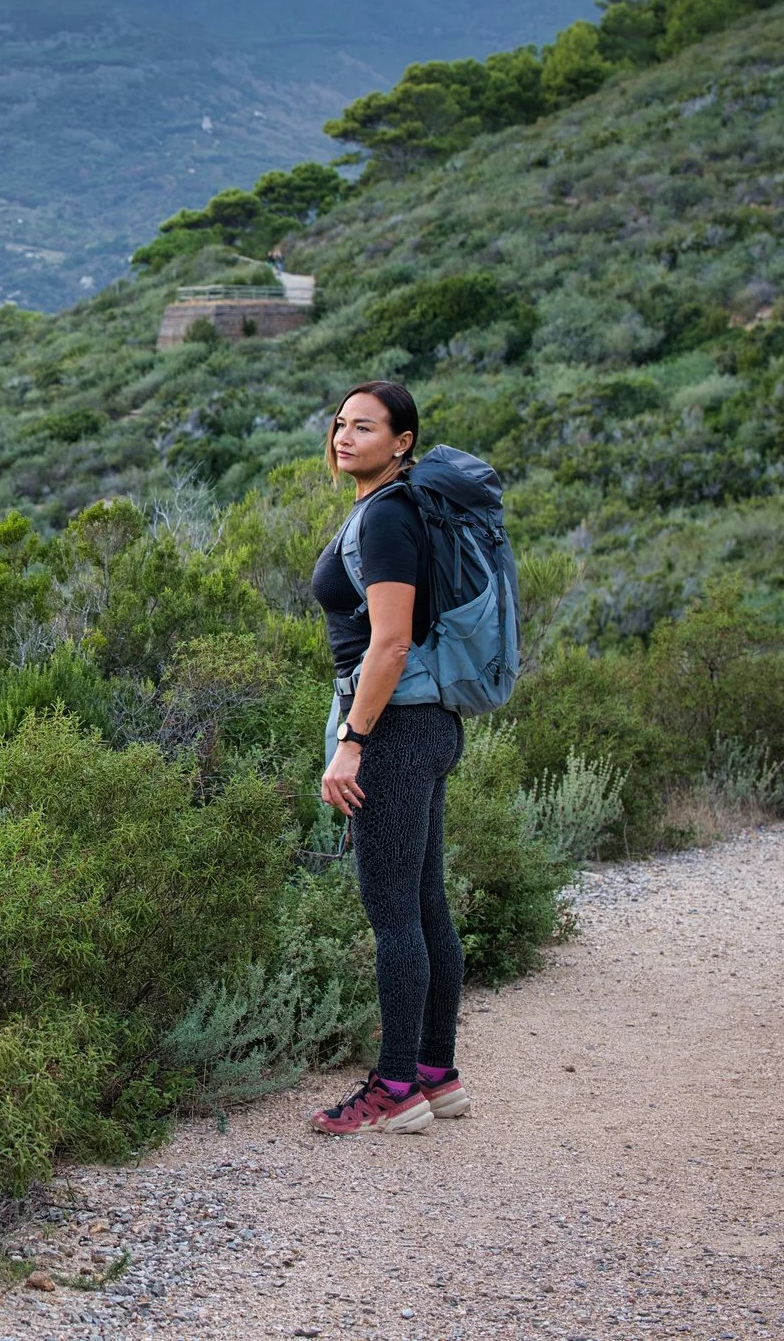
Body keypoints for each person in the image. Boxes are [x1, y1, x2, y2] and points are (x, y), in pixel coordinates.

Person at [306, 380, 472, 1135]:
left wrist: (353, 743)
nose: (344, 436)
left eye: (364, 427)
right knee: (425, 901)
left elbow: (391, 640)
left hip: (395, 728)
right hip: (427, 721)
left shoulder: (388, 519)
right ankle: (437, 1073)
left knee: (393, 911)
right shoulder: (398, 510)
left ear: (403, 441)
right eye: (340, 424)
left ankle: (397, 1086)